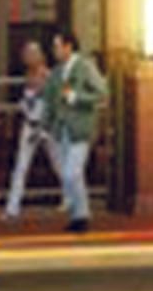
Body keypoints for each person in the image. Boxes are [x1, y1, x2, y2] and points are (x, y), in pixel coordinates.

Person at [45, 28, 107, 234]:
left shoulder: (85, 67)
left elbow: (102, 93)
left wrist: (76, 97)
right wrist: (45, 126)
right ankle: (78, 216)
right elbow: (50, 102)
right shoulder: (55, 72)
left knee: (72, 172)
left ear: (68, 46)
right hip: (61, 130)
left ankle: (81, 214)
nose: (54, 50)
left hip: (80, 128)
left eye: (57, 46)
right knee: (69, 173)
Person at [1, 40, 52, 222]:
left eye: (33, 53)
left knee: (60, 165)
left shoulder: (48, 76)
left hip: (47, 127)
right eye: (27, 53)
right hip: (29, 126)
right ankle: (12, 209)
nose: (29, 56)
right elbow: (21, 102)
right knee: (21, 166)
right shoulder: (23, 78)